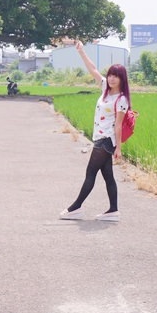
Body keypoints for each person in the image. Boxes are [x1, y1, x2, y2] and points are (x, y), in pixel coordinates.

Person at [60, 39, 131, 222]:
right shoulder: (105, 90)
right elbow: (92, 69)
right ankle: (113, 211)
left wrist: (118, 148)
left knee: (91, 172)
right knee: (108, 175)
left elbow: (118, 125)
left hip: (106, 140)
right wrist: (81, 51)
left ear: (122, 79)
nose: (112, 78)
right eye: (110, 75)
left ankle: (75, 207)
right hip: (100, 138)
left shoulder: (121, 99)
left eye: (116, 76)